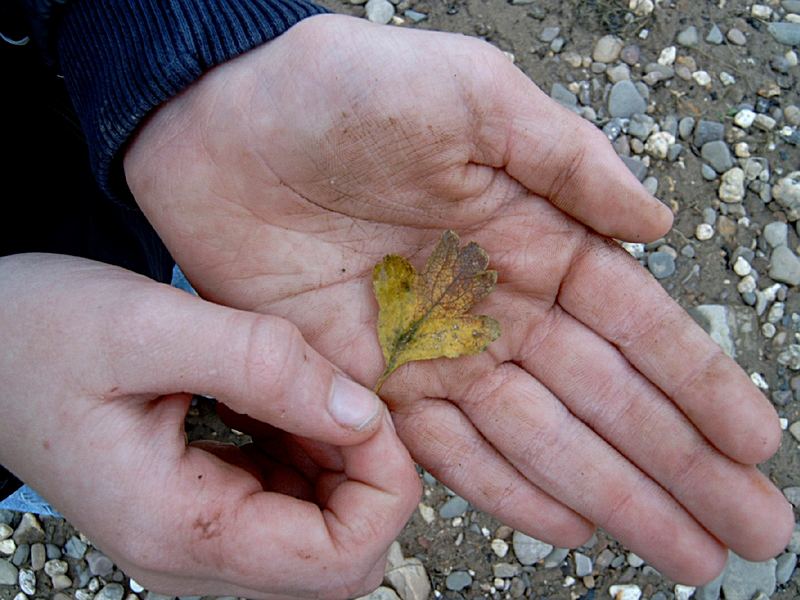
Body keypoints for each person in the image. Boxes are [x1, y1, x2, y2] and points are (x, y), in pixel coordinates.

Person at [1, 1, 793, 597]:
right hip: (35, 368)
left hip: (125, 174)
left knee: (196, 317)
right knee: (77, 450)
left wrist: (186, 55)